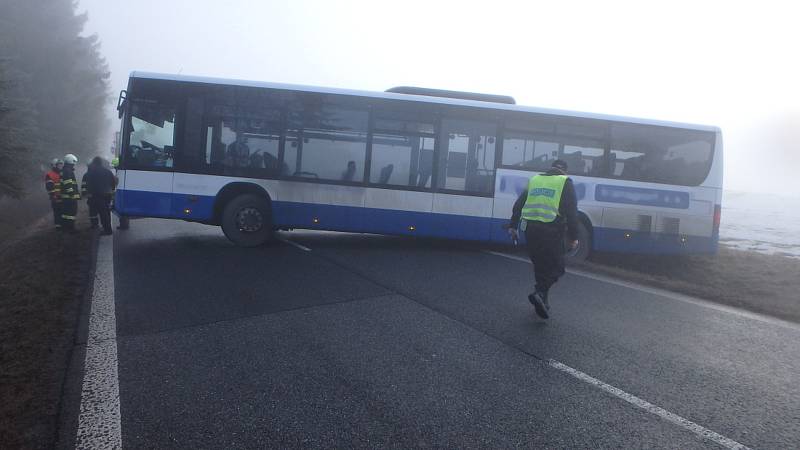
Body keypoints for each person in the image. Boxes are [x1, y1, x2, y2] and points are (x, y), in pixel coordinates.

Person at [507, 159, 579, 319]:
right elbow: (573, 213)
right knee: (557, 267)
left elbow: (519, 204)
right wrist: (574, 237)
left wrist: (513, 226)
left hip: (531, 231)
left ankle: (543, 303)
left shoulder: (535, 179)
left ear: (551, 168)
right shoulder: (565, 182)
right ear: (565, 171)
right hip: (551, 231)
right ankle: (539, 292)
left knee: (540, 266)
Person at [84, 156, 116, 235]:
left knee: (99, 213)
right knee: (106, 212)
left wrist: (88, 194)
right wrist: (111, 191)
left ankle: (105, 230)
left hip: (96, 196)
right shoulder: (108, 171)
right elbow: (113, 183)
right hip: (107, 195)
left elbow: (88, 185)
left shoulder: (91, 172)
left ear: (94, 163)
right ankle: (107, 228)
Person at [59, 154, 81, 231]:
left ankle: (65, 227)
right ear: (71, 161)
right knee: (71, 213)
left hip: (66, 197)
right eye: (74, 163)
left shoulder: (64, 170)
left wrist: (77, 195)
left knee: (66, 213)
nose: (74, 165)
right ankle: (71, 228)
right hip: (70, 197)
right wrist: (72, 194)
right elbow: (68, 184)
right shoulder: (68, 171)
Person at [45, 158, 63, 229]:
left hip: (62, 197)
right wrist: (54, 196)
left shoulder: (62, 174)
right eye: (59, 165)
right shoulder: (50, 175)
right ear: (54, 166)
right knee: (57, 213)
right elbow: (49, 187)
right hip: (55, 198)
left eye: (61, 164)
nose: (61, 166)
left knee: (63, 212)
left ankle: (63, 226)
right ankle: (58, 227)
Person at [81, 164, 99, 229]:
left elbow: (83, 186)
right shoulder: (97, 174)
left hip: (91, 196)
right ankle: (97, 224)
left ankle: (94, 224)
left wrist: (84, 194)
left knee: (92, 211)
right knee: (98, 210)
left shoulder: (86, 175)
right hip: (97, 196)